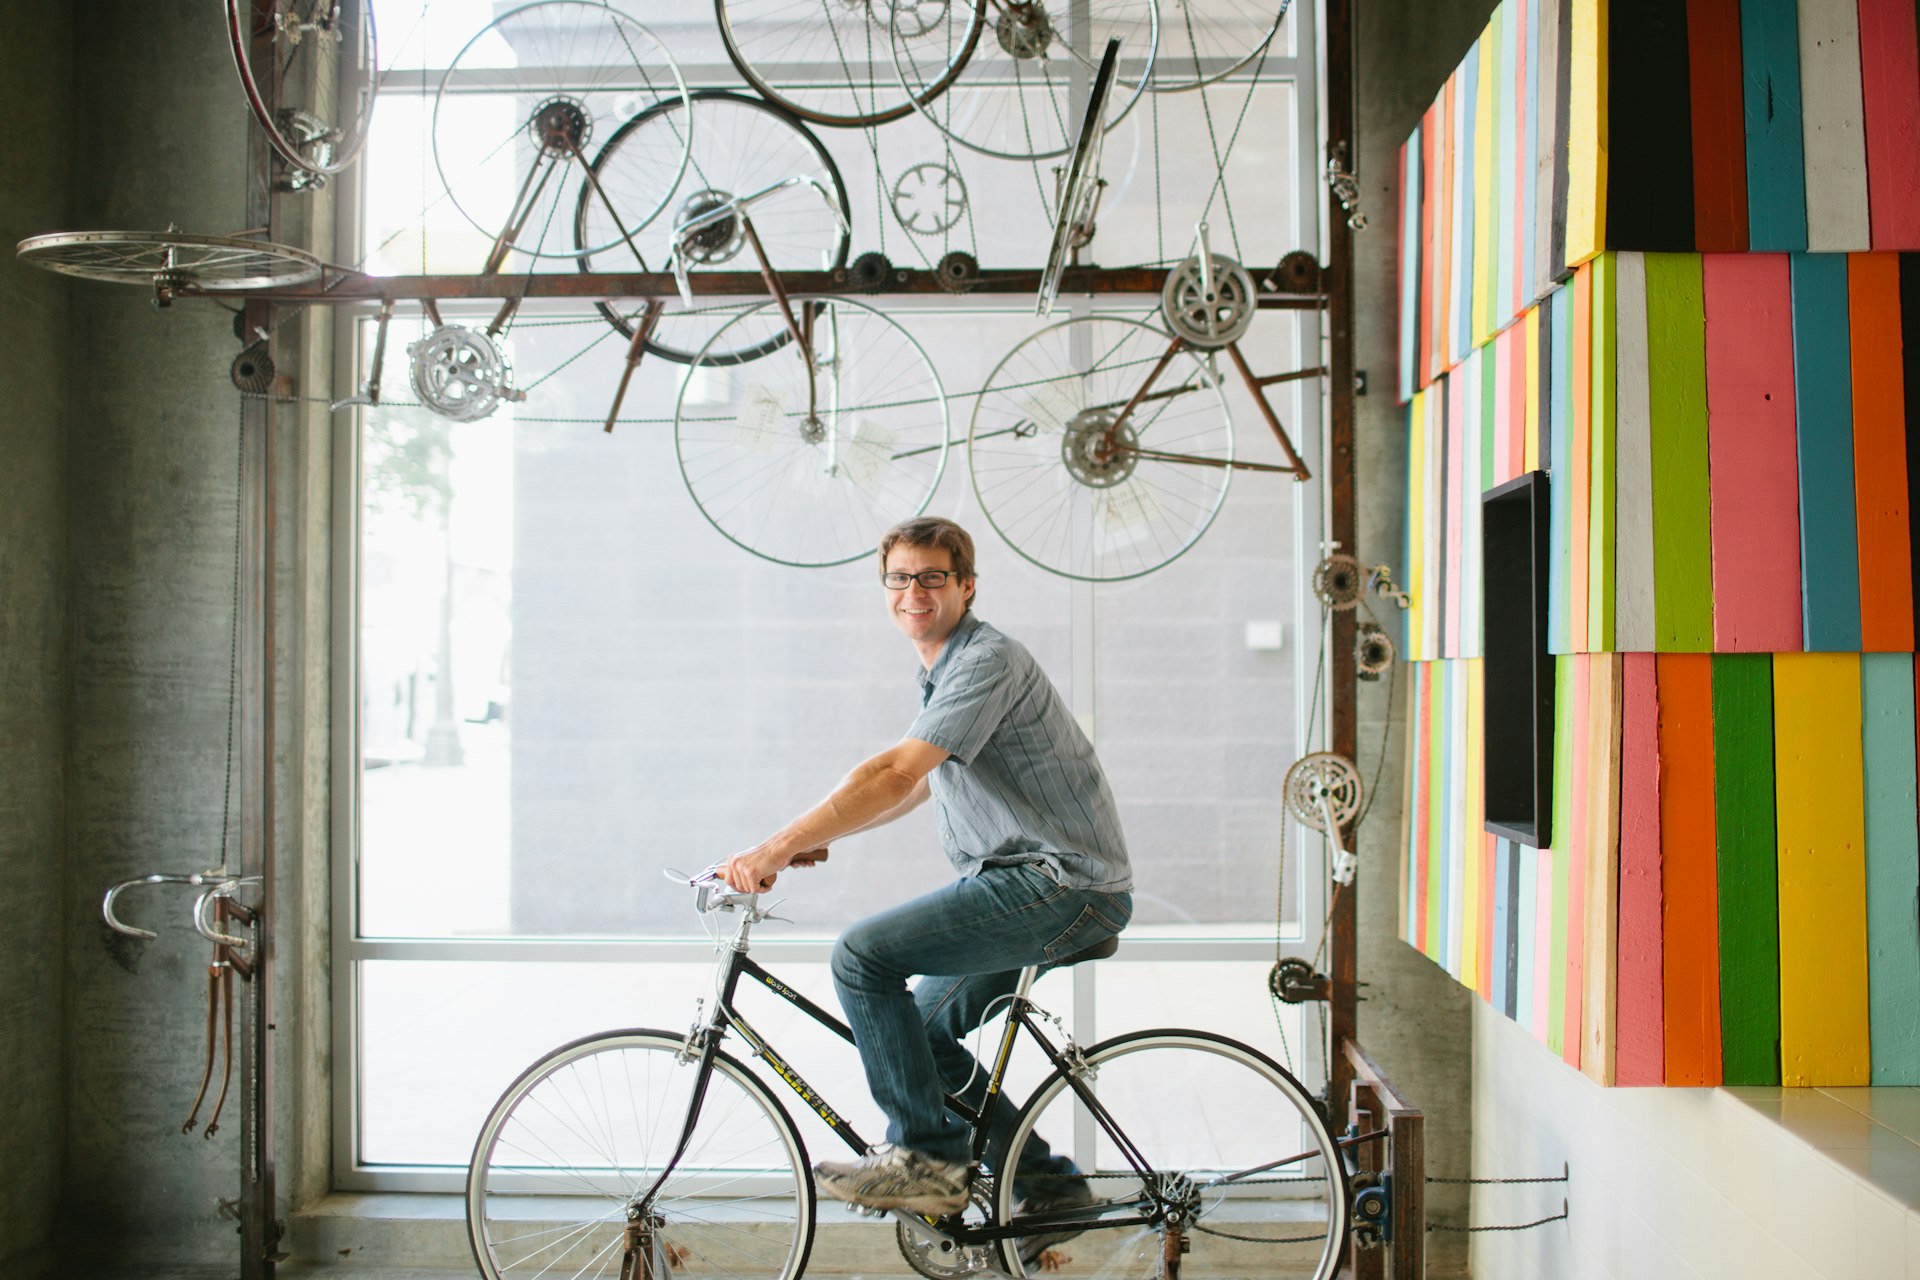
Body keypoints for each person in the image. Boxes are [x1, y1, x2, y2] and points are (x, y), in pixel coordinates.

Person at [719, 515, 1132, 1226]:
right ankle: (1050, 1187)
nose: (915, 591)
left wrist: (779, 844)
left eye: (933, 577)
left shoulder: (985, 661)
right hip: (1035, 888)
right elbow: (916, 788)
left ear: (966, 586)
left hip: (1061, 886)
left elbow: (893, 770)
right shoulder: (944, 669)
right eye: (900, 578)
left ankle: (927, 1162)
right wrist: (820, 840)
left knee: (860, 958)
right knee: (921, 1038)